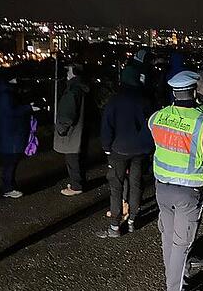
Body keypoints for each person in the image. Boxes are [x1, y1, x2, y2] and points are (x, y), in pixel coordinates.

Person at [151, 71, 203, 291]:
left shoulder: (157, 117)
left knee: (168, 239)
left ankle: (177, 281)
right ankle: (174, 287)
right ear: (194, 91)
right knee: (181, 245)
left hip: (162, 188)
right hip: (188, 192)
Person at [97, 64, 154, 238]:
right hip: (141, 150)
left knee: (116, 185)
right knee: (136, 184)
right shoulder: (146, 100)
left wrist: (107, 148)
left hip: (119, 149)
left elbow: (107, 127)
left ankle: (115, 226)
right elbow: (152, 124)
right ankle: (132, 221)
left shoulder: (115, 100)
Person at [0, 75, 34, 199]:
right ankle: (8, 188)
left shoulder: (6, 92)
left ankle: (10, 185)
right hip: (10, 135)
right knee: (10, 162)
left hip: (10, 134)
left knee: (11, 162)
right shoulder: (6, 94)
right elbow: (10, 112)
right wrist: (28, 108)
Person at [54, 64, 90, 196]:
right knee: (79, 159)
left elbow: (66, 115)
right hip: (81, 131)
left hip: (72, 134)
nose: (67, 74)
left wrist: (61, 129)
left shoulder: (72, 91)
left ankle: (76, 186)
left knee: (72, 160)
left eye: (68, 71)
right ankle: (80, 182)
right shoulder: (83, 89)